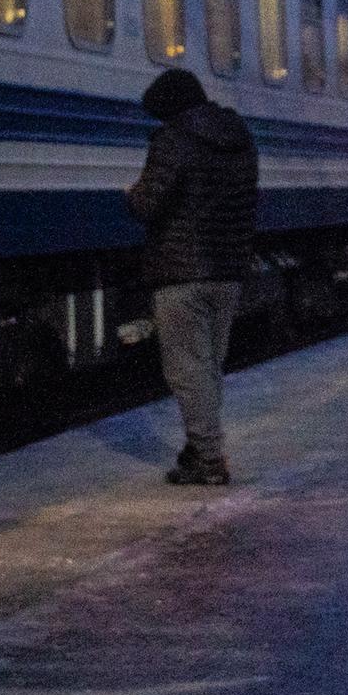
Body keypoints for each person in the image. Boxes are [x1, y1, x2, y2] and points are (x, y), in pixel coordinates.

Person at [126, 67, 258, 486]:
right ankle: (199, 446)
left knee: (187, 370)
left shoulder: (173, 140)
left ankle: (208, 458)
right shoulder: (240, 140)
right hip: (228, 270)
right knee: (208, 367)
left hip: (180, 272)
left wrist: (131, 196)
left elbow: (149, 204)